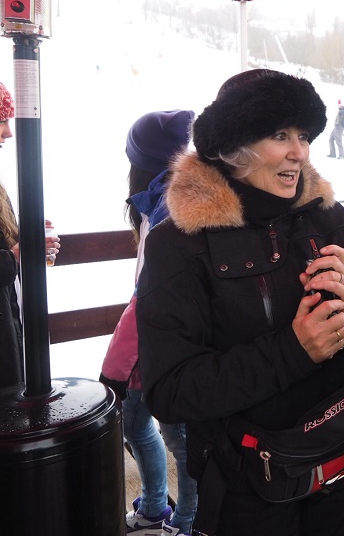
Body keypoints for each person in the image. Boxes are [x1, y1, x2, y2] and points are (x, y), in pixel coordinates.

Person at [136, 69, 344, 536]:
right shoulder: (181, 244)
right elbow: (170, 389)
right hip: (249, 483)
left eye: (303, 135)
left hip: (342, 459)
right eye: (280, 135)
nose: (299, 152)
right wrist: (293, 351)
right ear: (233, 146)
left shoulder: (329, 218)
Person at [98, 110, 198, 535]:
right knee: (139, 424)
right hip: (154, 352)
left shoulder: (168, 211)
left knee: (182, 443)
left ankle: (188, 522)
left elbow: (148, 301)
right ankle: (157, 507)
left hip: (170, 355)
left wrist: (112, 371)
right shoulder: (164, 202)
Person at [0, 81, 59, 392]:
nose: (8, 132)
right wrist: (18, 253)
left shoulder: (0, 190)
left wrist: (30, 237)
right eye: (1, 121)